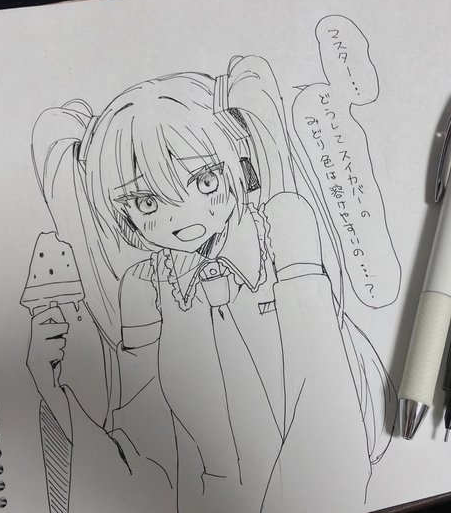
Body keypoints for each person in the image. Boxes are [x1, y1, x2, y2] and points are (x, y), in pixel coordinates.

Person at [27, 55, 399, 512]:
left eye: (204, 179)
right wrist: (53, 390)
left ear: (240, 163)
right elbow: (147, 441)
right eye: (146, 202)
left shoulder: (284, 233)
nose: (181, 217)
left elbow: (325, 392)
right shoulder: (143, 287)